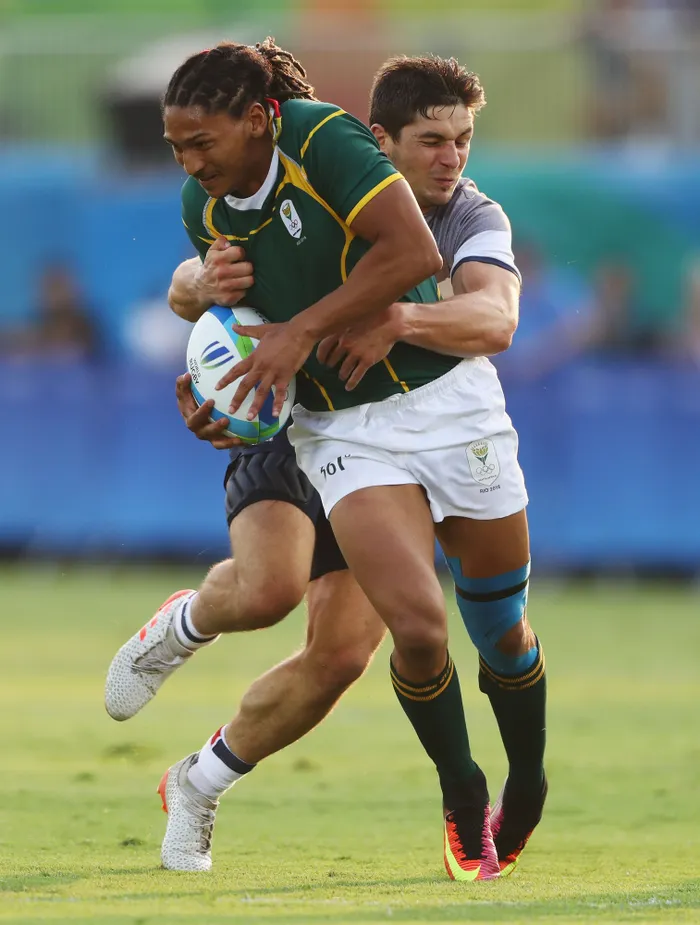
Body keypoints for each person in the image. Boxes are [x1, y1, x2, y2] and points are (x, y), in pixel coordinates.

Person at [105, 42, 545, 881]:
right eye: (432, 140)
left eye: (461, 140)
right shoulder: (229, 190)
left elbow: (492, 316)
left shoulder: (459, 212)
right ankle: (186, 626)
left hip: (422, 407)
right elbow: (211, 302)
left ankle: (199, 780)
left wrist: (390, 322)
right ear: (382, 142)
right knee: (290, 594)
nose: (450, 157)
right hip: (318, 418)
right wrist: (216, 380)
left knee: (357, 651)